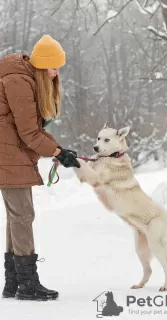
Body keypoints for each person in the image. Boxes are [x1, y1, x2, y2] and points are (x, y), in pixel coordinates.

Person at [0, 35, 80, 301]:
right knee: (23, 216)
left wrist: (58, 150)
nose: (56, 72)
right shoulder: (19, 81)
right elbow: (28, 133)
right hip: (7, 155)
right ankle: (27, 284)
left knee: (17, 216)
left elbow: (29, 131)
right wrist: (58, 151)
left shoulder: (24, 77)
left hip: (10, 153)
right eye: (53, 67)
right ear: (42, 64)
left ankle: (13, 283)